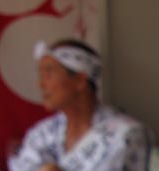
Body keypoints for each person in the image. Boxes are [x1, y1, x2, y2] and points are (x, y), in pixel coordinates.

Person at [8, 39, 152, 171]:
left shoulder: (126, 135)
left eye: (49, 73)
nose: (40, 83)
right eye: (41, 74)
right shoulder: (41, 134)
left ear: (80, 81)